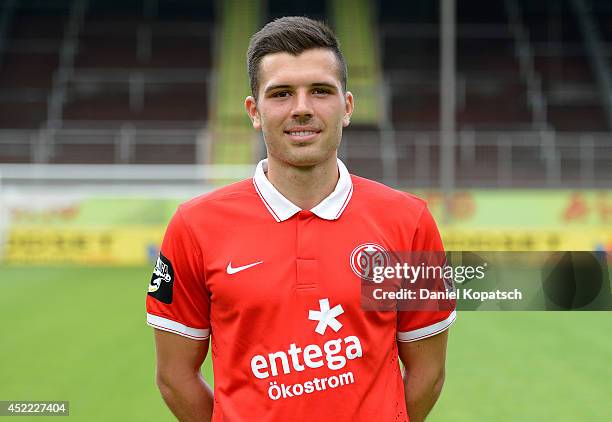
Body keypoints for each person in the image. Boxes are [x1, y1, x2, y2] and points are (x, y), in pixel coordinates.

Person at [146, 16, 455, 422]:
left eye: (321, 91)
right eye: (281, 94)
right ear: (254, 112)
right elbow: (174, 377)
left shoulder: (409, 221)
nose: (302, 108)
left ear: (346, 107)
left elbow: (428, 373)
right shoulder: (195, 225)